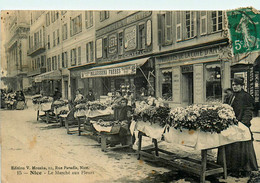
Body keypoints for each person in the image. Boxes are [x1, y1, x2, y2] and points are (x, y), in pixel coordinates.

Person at [217, 77, 258, 177]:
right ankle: (229, 167)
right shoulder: (231, 96)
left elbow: (249, 111)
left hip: (241, 126)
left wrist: (243, 124)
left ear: (242, 85)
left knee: (241, 148)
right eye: (233, 85)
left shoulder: (246, 96)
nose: (234, 87)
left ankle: (243, 169)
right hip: (231, 125)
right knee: (229, 145)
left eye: (237, 85)